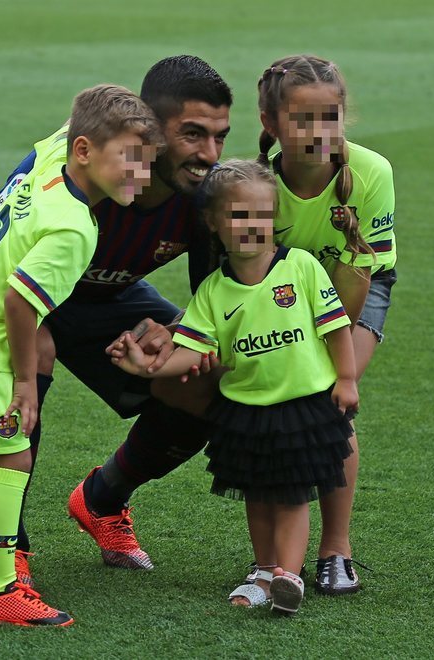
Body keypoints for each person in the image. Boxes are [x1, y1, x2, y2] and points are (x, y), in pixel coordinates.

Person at [0, 55, 233, 575]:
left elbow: (217, 303)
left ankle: (103, 498)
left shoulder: (208, 193)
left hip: (110, 304)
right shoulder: (67, 159)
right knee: (34, 350)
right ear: (147, 126)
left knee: (204, 373)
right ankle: (3, 551)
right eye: (193, 134)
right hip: (25, 304)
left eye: (220, 136)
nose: (210, 155)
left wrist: (178, 333)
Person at [0, 84, 160, 627]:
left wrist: (113, 114)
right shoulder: (75, 228)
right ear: (84, 151)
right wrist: (25, 384)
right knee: (12, 457)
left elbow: (75, 120)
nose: (140, 177)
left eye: (147, 164)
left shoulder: (51, 165)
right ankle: (1, 590)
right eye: (129, 158)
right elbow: (20, 301)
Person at [111, 160, 359, 615]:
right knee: (258, 496)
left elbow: (335, 327)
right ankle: (264, 573)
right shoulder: (212, 292)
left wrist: (345, 379)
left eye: (262, 215)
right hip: (246, 408)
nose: (252, 226)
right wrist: (145, 369)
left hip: (302, 406)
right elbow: (190, 354)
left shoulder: (299, 267)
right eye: (239, 216)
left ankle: (288, 575)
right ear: (213, 222)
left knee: (291, 495)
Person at [255, 54, 398, 594]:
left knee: (328, 402)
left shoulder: (370, 172)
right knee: (276, 403)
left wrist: (333, 364)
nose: (321, 132)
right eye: (303, 118)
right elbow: (250, 281)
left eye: (331, 116)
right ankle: (268, 558)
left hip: (356, 288)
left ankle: (336, 549)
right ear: (270, 123)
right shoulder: (255, 184)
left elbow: (360, 272)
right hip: (282, 302)